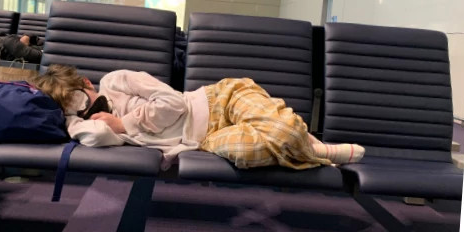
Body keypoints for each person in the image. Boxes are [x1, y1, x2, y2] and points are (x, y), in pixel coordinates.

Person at [32, 64, 364, 171]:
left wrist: (124, 124)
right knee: (247, 152)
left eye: (86, 101)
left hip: (220, 100)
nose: (90, 112)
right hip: (204, 140)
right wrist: (73, 119)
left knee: (278, 132)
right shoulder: (85, 122)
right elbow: (93, 135)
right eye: (79, 113)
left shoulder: (116, 81)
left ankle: (312, 147)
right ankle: (307, 145)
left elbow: (174, 102)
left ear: (87, 83)